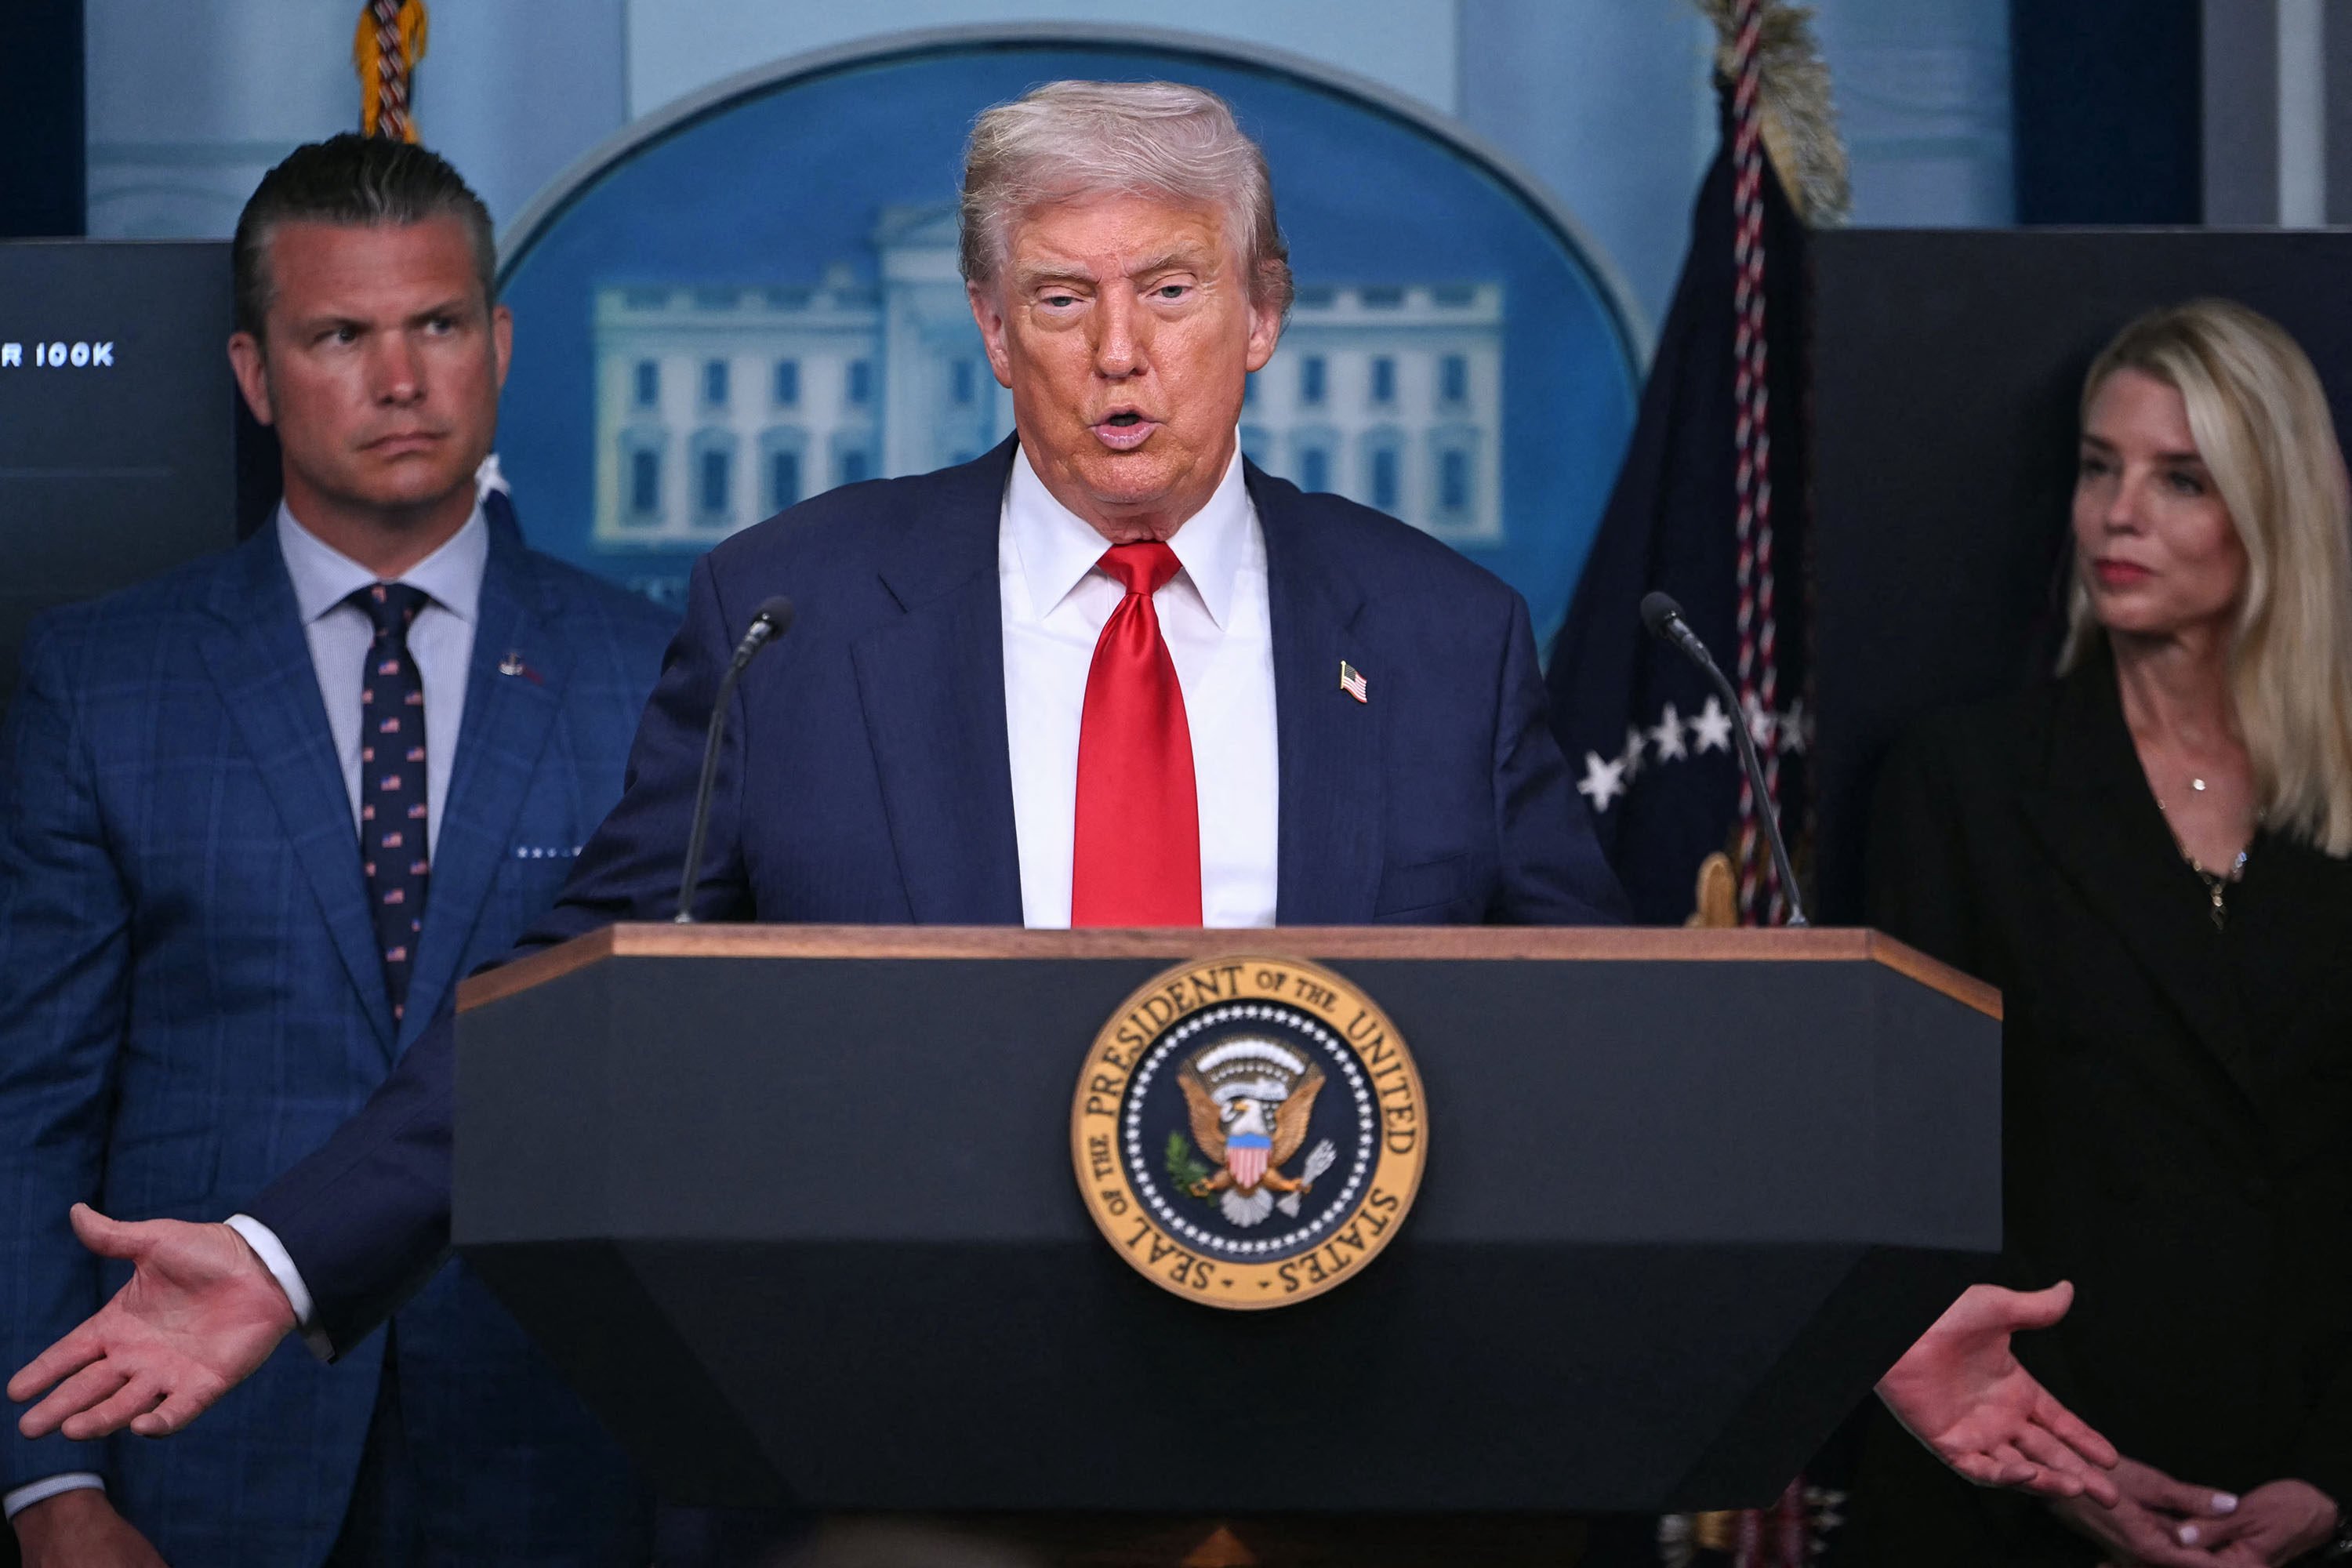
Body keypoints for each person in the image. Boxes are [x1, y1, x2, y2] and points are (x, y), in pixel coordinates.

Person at [10, 80, 2117, 1515]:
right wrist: (289, 1253)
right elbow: (581, 1015)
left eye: (1173, 290)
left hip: (1353, 1462)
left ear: (1266, 317)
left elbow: (1610, 1050)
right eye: (1063, 298)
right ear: (990, 335)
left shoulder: (1448, 629)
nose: (1122, 354)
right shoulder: (793, 615)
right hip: (917, 1471)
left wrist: (1867, 1305)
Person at [0, 136, 673, 1566]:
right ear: (254, 374)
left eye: (436, 325)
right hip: (201, 1448)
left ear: (495, 342)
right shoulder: (102, 680)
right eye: (339, 335)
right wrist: (47, 1485)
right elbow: (30, 1112)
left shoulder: (657, 673)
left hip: (562, 1449)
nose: (400, 378)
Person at [1854, 299, 2352, 1566]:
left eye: (2180, 479)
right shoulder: (1962, 785)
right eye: (2098, 467)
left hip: (2298, 1481)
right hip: (2028, 1489)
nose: (2117, 515)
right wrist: (2067, 1470)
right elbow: (1911, 1174)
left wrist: (2335, 1480)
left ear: (2274, 510)